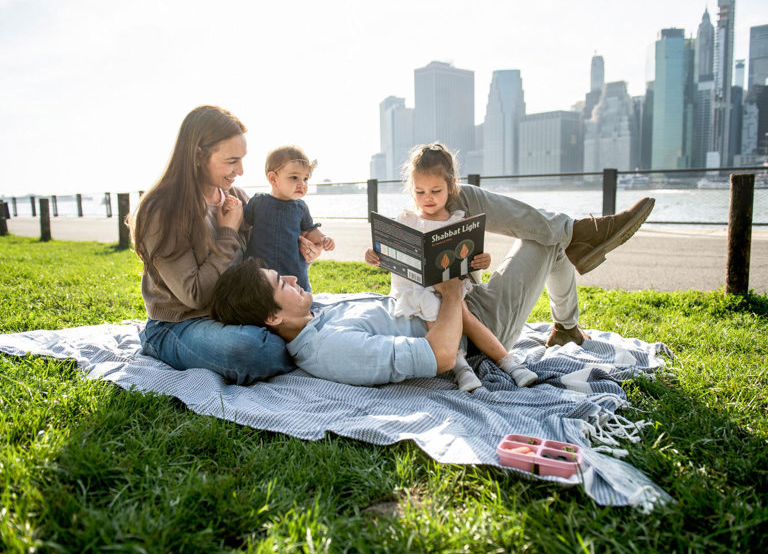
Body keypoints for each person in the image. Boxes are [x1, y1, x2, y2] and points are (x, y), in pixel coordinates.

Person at [209, 141, 655, 387]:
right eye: (280, 282)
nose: (290, 274)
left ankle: (570, 269)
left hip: (455, 300)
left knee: (460, 199)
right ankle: (575, 243)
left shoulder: (313, 316)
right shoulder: (330, 349)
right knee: (548, 242)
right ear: (272, 315)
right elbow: (441, 354)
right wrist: (452, 290)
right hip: (476, 331)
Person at [127, 105, 315, 384]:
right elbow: (194, 295)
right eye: (231, 161)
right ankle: (305, 349)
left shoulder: (235, 196)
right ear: (198, 157)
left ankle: (305, 345)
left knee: (305, 316)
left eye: (242, 159)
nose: (240, 170)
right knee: (254, 348)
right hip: (181, 323)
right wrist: (227, 234)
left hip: (236, 312)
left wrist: (301, 254)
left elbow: (257, 262)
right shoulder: (162, 210)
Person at [364, 143, 537, 391]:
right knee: (433, 309)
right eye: (420, 192)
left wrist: (482, 260)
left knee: (464, 314)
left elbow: (471, 260)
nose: (428, 198)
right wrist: (374, 255)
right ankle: (461, 368)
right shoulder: (407, 220)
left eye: (436, 190)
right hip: (415, 290)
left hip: (451, 287)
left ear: (451, 185)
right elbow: (390, 253)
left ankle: (509, 363)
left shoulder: (458, 221)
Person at [244, 145, 335, 292]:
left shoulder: (300, 207)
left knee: (297, 298)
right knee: (259, 299)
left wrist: (324, 239)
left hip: (292, 269)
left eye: (306, 178)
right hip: (261, 270)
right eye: (294, 177)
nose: (302, 184)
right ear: (273, 179)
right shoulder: (258, 201)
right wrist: (232, 207)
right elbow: (242, 222)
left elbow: (310, 231)